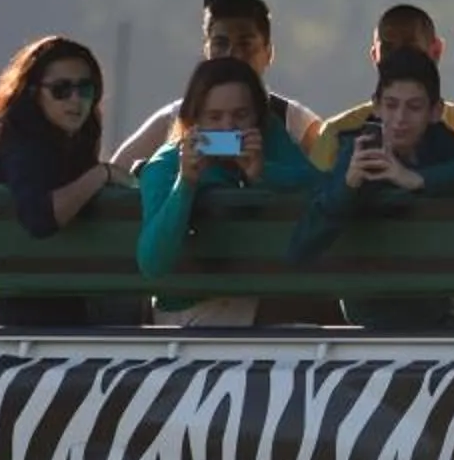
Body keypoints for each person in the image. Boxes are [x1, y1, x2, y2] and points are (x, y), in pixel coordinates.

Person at [290, 47, 454, 328]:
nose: (400, 118)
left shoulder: (440, 144)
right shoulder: (358, 151)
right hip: (372, 312)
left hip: (433, 309)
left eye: (414, 107)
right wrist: (349, 184)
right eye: (391, 105)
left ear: (436, 111)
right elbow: (302, 246)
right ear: (375, 106)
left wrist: (413, 178)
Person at [0, 35, 126, 329]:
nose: (75, 100)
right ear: (32, 92)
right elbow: (40, 217)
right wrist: (102, 175)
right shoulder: (22, 147)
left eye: (85, 89)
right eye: (61, 90)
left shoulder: (55, 143)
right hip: (36, 308)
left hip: (26, 298)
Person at [135, 56, 323, 327]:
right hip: (192, 309)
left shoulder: (267, 139)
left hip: (253, 293)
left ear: (258, 116)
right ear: (192, 120)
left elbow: (318, 186)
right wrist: (185, 184)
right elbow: (153, 264)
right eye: (214, 117)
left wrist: (263, 173)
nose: (228, 127)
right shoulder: (165, 166)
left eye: (241, 115)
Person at [110, 0, 324, 170]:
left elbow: (327, 186)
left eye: (245, 44)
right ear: (206, 50)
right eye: (221, 44)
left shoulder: (293, 121)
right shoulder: (177, 117)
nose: (233, 55)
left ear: (268, 52)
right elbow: (118, 171)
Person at [304, 4, 454, 167]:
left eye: (410, 47)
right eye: (388, 49)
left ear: (435, 51)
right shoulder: (337, 135)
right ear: (375, 56)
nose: (400, 58)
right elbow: (319, 193)